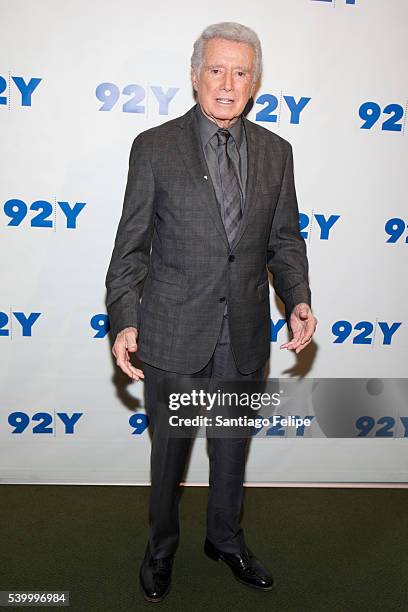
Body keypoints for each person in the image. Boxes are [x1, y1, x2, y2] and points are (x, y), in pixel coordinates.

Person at [105, 21, 317, 603]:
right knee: (168, 456)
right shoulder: (154, 147)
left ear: (255, 82)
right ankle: (160, 550)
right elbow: (130, 248)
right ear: (195, 75)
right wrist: (125, 318)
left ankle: (224, 539)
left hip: (244, 336)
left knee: (231, 454)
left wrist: (297, 298)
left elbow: (285, 240)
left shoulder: (277, 152)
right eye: (217, 69)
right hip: (171, 333)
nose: (228, 83)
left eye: (240, 72)